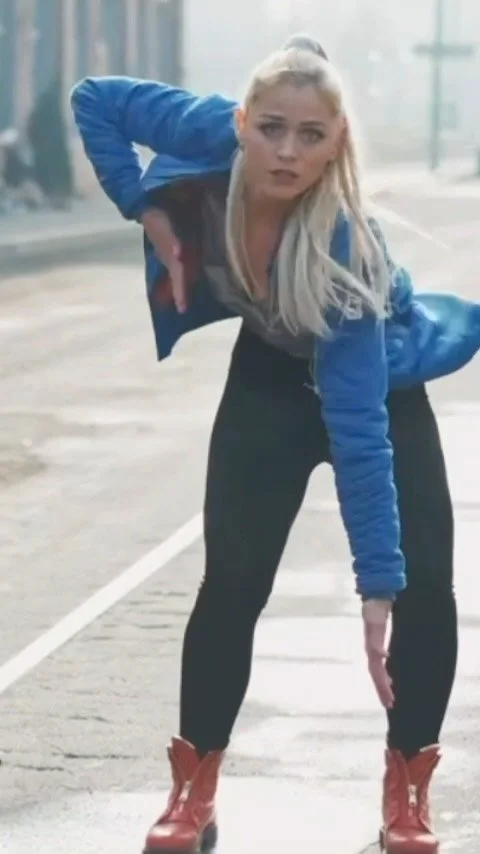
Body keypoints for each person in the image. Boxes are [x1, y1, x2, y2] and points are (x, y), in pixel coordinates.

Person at [70, 35, 480, 854]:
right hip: (267, 375)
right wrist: (142, 207)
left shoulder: (346, 251)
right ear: (242, 123)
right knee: (232, 580)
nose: (287, 150)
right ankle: (193, 787)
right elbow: (95, 100)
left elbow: (359, 432)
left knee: (423, 586)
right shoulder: (208, 132)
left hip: (380, 382)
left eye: (311, 135)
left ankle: (406, 789)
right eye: (272, 129)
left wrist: (376, 587)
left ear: (337, 144)